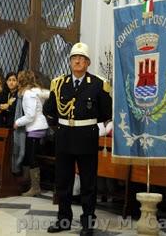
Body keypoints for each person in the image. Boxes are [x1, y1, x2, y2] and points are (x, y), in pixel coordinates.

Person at [43, 42, 112, 236]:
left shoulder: (98, 84)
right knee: (63, 182)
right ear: (70, 62)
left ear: (88, 63)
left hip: (87, 138)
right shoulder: (59, 84)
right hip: (64, 137)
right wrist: (58, 127)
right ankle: (63, 220)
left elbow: (106, 112)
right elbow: (49, 110)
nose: (77, 61)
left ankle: (88, 222)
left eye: (81, 58)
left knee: (88, 183)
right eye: (74, 58)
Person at [14, 70, 49, 196]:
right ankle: (29, 182)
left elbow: (30, 115)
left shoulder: (29, 94)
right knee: (30, 156)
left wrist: (17, 122)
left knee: (31, 157)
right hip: (36, 127)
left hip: (36, 127)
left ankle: (35, 187)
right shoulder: (34, 92)